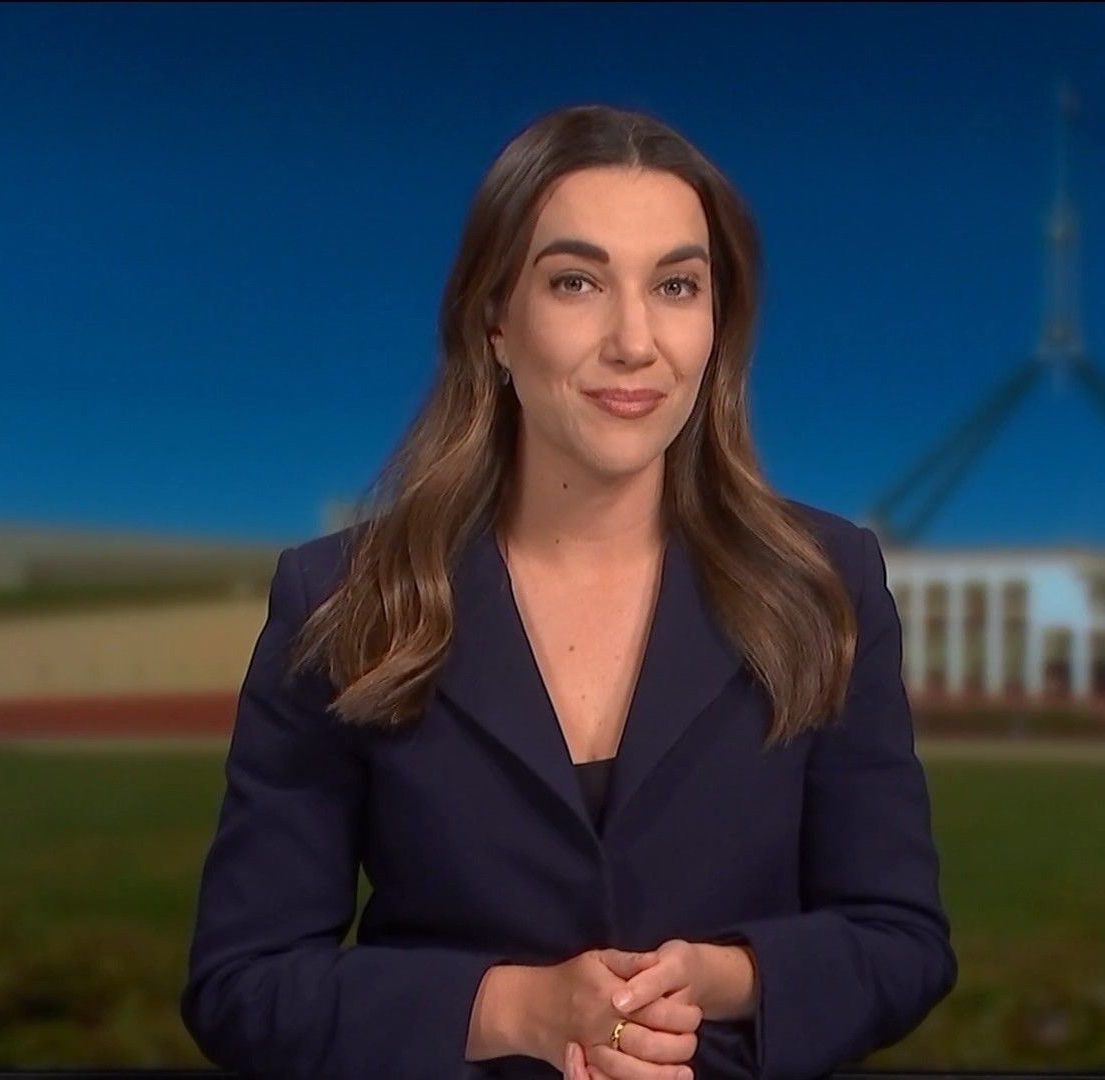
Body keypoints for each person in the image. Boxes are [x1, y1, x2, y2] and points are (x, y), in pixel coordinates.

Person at [180, 103, 956, 1080]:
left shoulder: (826, 583)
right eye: (577, 282)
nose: (634, 340)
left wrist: (722, 978)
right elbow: (243, 985)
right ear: (495, 322)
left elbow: (901, 942)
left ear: (718, 325)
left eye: (676, 286)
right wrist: (517, 1010)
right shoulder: (344, 598)